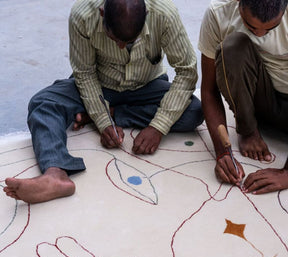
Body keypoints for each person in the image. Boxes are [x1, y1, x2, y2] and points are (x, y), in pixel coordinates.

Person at [3, 0, 203, 204]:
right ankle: (55, 174)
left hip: (147, 85)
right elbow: (85, 73)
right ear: (101, 13)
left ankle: (111, 112)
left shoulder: (164, 13)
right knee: (43, 103)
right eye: (114, 38)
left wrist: (158, 127)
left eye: (130, 40)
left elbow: (187, 71)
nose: (122, 46)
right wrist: (104, 122)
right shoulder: (83, 14)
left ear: (146, 17)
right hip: (99, 84)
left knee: (194, 111)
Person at [199, 0, 288, 195]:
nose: (260, 34)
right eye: (251, 26)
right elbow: (208, 90)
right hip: (263, 104)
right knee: (232, 48)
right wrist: (223, 152)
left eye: (271, 28)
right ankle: (249, 130)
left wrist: (286, 174)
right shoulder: (219, 13)